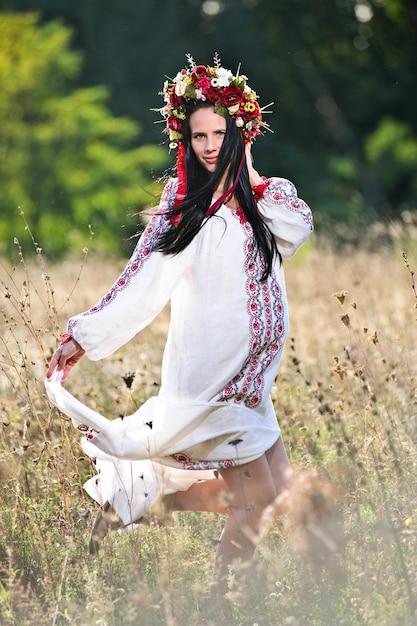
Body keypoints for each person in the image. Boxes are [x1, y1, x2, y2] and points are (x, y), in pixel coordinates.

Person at [45, 55, 313, 598]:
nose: (210, 146)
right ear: (185, 141)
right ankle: (220, 602)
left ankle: (153, 506)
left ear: (242, 132)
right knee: (260, 496)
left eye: (221, 133)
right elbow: (142, 280)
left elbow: (299, 226)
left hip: (253, 385)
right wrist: (84, 335)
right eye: (199, 136)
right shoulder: (185, 204)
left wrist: (250, 173)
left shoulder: (264, 201)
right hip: (213, 382)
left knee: (275, 489)